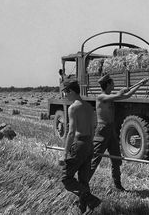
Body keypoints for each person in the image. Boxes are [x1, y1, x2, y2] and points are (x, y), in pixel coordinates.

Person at [88, 74, 145, 191]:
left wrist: (140, 84)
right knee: (95, 159)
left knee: (116, 158)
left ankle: (118, 186)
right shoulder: (101, 97)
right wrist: (121, 91)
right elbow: (119, 94)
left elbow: (127, 95)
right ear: (108, 84)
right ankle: (83, 185)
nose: (114, 84)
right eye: (112, 82)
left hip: (111, 130)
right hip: (102, 131)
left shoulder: (110, 96)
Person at [60, 79, 101, 214]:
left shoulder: (73, 108)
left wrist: (65, 152)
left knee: (66, 179)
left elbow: (71, 132)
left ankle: (92, 199)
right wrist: (89, 145)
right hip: (89, 144)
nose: (64, 95)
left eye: (65, 92)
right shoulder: (89, 107)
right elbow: (93, 128)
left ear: (70, 91)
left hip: (78, 145)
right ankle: (83, 209)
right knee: (83, 180)